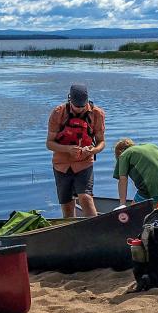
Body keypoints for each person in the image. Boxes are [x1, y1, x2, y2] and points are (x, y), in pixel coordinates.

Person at [46, 83, 106, 217]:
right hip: (61, 165)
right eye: (76, 106)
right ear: (69, 100)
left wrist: (93, 150)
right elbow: (49, 144)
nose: (79, 109)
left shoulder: (97, 114)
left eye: (82, 106)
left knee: (85, 197)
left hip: (84, 163)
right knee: (67, 205)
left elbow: (101, 142)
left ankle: (96, 231)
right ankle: (71, 233)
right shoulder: (58, 113)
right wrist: (68, 149)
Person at [112, 138, 158, 207]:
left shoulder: (124, 155)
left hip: (151, 192)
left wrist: (122, 204)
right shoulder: (152, 146)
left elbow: (123, 179)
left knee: (132, 214)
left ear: (119, 153)